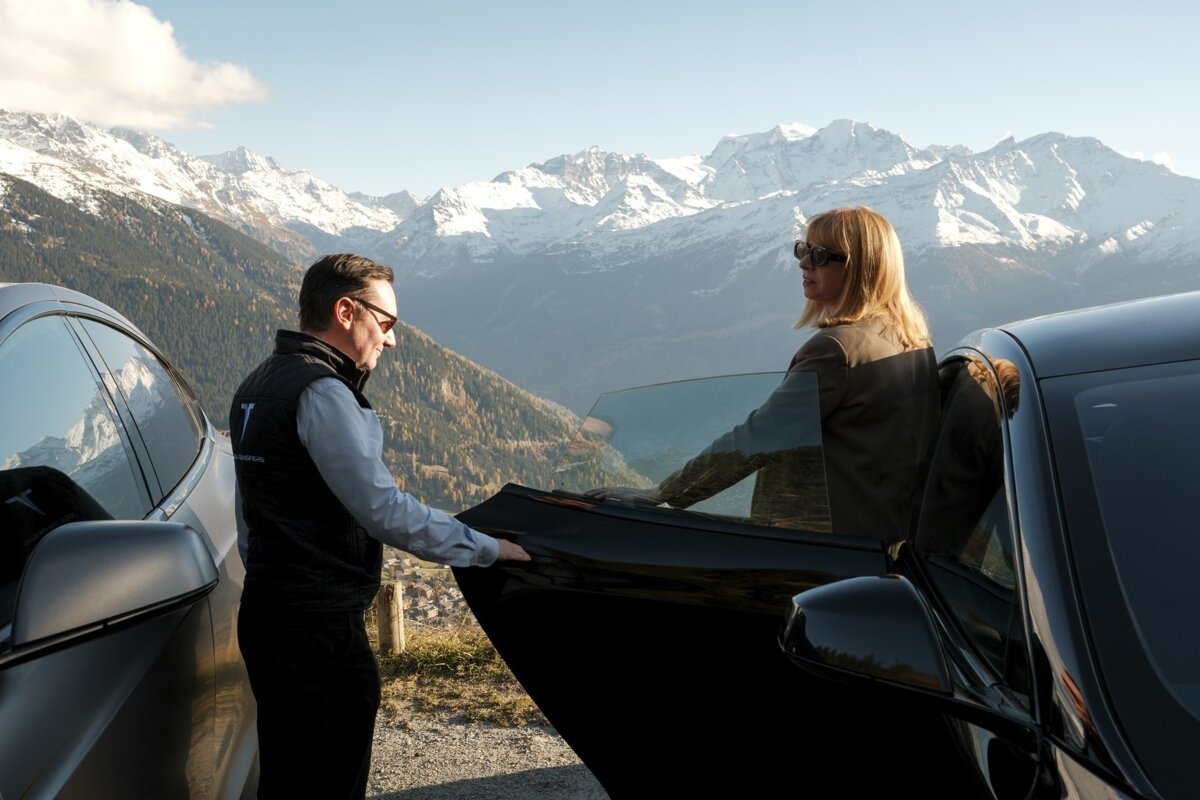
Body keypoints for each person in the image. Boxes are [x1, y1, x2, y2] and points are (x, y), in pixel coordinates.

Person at [229, 253, 530, 800]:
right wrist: (487, 549)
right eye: (386, 323)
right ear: (346, 312)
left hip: (268, 614)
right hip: (321, 630)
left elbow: (250, 513)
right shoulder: (323, 393)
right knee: (330, 780)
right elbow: (385, 510)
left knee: (286, 773)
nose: (390, 341)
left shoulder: (257, 384)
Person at [591, 206, 939, 551]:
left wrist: (662, 494)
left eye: (819, 255)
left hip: (822, 547)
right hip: (879, 542)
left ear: (861, 268)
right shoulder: (912, 339)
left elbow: (757, 439)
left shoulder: (837, 349)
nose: (803, 262)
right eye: (802, 249)